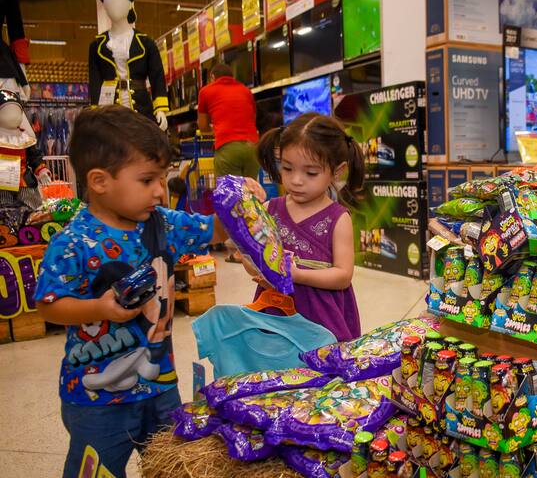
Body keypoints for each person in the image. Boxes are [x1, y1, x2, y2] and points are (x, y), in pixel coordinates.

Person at [33, 106, 262, 478]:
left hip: (160, 385)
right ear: (99, 181)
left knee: (170, 466)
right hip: (96, 400)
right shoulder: (73, 242)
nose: (160, 190)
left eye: (162, 177)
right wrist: (99, 308)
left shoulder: (163, 223)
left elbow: (216, 230)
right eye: (147, 180)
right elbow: (49, 305)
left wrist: (241, 202)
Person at [254, 112, 365, 341]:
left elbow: (343, 275)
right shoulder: (269, 209)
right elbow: (255, 257)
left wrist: (297, 275)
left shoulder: (338, 218)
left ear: (337, 171)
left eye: (311, 172)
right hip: (275, 312)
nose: (296, 180)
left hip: (321, 318)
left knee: (320, 362)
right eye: (287, 168)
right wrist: (256, 266)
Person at [198, 62, 260, 262]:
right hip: (253, 147)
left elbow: (202, 125)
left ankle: (240, 250)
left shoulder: (206, 91)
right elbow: (252, 118)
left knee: (230, 200)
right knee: (250, 198)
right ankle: (256, 246)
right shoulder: (245, 90)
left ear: (212, 77)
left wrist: (215, 129)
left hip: (227, 146)